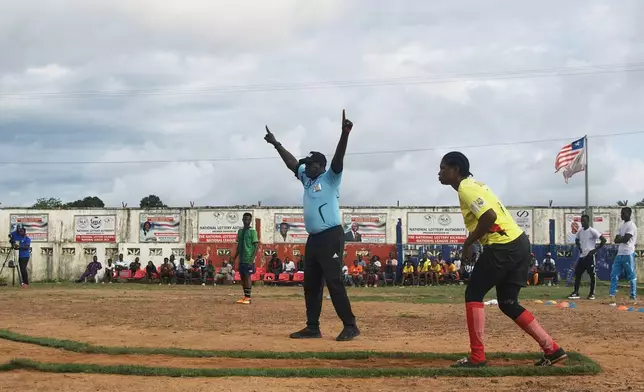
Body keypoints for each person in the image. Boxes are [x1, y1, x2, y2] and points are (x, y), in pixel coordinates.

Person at [438, 151, 565, 368]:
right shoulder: (475, 185)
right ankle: (552, 349)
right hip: (519, 244)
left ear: (455, 170)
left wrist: (468, 243)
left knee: (473, 294)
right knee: (508, 303)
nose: (439, 173)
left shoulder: (466, 188)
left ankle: (477, 358)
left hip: (502, 246)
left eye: (443, 168)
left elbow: (489, 217)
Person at [264, 109, 359, 341]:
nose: (306, 167)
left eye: (311, 164)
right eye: (306, 165)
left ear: (321, 166)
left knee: (334, 281)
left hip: (331, 236)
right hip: (314, 239)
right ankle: (312, 327)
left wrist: (345, 134)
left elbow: (338, 158)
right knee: (311, 284)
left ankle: (350, 325)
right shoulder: (307, 178)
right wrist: (276, 144)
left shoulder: (331, 178)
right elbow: (291, 163)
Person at [568, 215, 605, 300]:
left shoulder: (592, 231)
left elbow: (603, 240)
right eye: (581, 221)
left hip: (589, 256)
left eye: (584, 221)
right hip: (582, 256)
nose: (582, 223)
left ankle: (592, 293)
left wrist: (595, 250)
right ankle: (576, 292)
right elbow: (577, 240)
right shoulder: (580, 231)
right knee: (577, 274)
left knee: (592, 275)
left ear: (588, 221)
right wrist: (579, 248)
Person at [609, 207, 638, 306]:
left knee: (631, 276)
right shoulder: (622, 226)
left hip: (628, 253)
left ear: (628, 214)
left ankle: (632, 296)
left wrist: (621, 238)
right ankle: (612, 296)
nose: (621, 215)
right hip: (619, 254)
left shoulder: (632, 226)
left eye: (623, 213)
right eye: (621, 213)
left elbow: (625, 239)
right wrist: (621, 238)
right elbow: (616, 240)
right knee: (614, 274)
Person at [231, 212, 259, 304]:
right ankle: (245, 296)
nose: (246, 221)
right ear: (242, 220)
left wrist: (252, 259)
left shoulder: (253, 232)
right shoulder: (240, 231)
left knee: (247, 277)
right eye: (245, 219)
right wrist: (234, 258)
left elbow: (256, 246)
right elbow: (239, 246)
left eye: (248, 219)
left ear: (250, 220)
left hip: (248, 259)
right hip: (242, 259)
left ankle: (248, 298)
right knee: (242, 277)